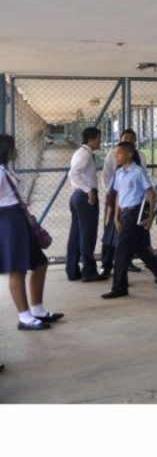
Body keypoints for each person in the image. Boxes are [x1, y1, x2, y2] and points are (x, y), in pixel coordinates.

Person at [0, 134, 62, 331]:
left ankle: (37, 310)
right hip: (10, 222)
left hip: (19, 219)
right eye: (13, 147)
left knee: (40, 263)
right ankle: (24, 317)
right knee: (17, 269)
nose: (16, 150)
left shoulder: (5, 169)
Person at [101, 142, 157, 299]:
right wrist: (116, 216)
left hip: (134, 214)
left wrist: (150, 216)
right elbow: (118, 195)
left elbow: (151, 193)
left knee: (121, 251)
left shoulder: (138, 171)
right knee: (139, 247)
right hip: (124, 214)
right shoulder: (119, 173)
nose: (116, 156)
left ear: (130, 154)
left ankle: (119, 287)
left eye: (119, 153)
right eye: (116, 153)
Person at [100, 128, 145, 277]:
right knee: (110, 231)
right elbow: (106, 175)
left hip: (133, 200)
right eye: (126, 138)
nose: (129, 141)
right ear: (120, 139)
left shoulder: (140, 156)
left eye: (132, 139)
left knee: (130, 233)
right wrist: (111, 191)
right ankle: (106, 264)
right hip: (115, 197)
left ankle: (128, 262)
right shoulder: (112, 155)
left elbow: (143, 178)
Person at [66, 126, 108, 282]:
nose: (100, 141)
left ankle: (72, 270)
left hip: (77, 196)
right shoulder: (85, 154)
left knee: (76, 235)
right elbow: (73, 174)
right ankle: (89, 271)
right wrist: (88, 190)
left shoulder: (80, 152)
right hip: (85, 197)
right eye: (99, 139)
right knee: (87, 235)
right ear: (91, 140)